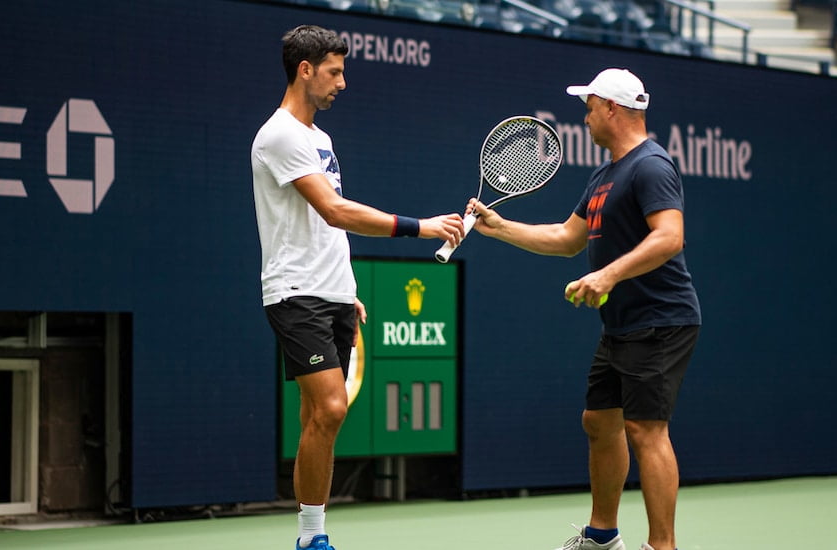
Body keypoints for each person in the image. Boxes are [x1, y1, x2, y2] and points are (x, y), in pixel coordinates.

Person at [466, 68, 701, 550]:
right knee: (599, 421)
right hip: (622, 324)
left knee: (646, 429)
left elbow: (670, 236)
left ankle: (663, 546)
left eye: (590, 107)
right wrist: (500, 226)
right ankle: (602, 536)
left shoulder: (651, 165)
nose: (586, 117)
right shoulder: (604, 174)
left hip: (660, 320)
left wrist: (609, 274)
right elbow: (568, 238)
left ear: (612, 108)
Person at [251, 25, 465, 550]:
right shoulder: (278, 134)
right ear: (305, 70)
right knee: (330, 408)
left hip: (333, 291)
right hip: (296, 291)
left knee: (315, 416)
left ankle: (309, 536)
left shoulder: (320, 139)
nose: (342, 83)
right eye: (335, 72)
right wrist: (422, 226)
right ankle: (313, 537)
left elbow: (325, 227)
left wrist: (346, 288)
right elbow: (336, 210)